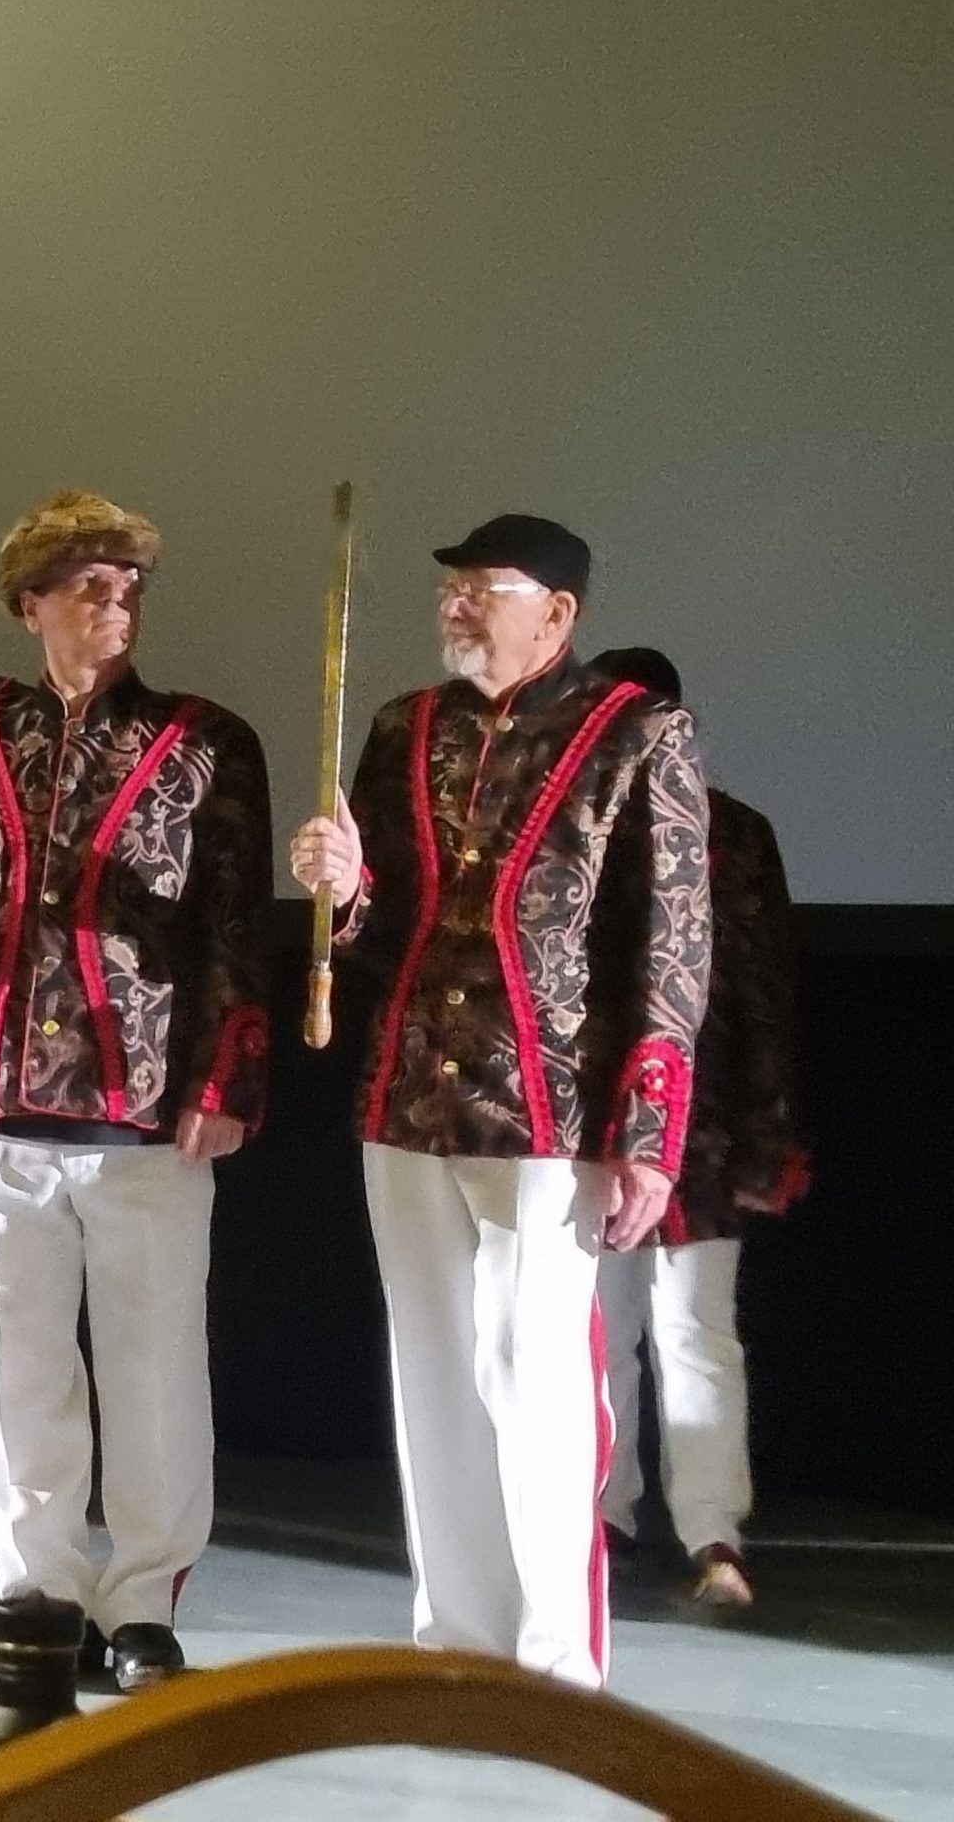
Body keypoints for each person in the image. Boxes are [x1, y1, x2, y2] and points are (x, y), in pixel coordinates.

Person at [290, 515, 711, 1687]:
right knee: (427, 1372)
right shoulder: (401, 729)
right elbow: (373, 926)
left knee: (538, 1376)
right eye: (451, 590)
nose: (456, 608)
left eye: (484, 590)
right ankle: (457, 1642)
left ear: (558, 613)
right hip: (410, 1094)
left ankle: (554, 1662)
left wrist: (649, 1138)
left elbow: (671, 945)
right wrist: (343, 887)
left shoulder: (638, 733)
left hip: (554, 1111)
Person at [0, 493, 271, 1693]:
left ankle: (143, 1604)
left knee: (154, 1365)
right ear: (29, 605)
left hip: (142, 1103)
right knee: (16, 1371)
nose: (112, 605)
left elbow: (234, 925)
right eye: (86, 585)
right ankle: (42, 1586)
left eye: (127, 587)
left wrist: (226, 1077)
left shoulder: (203, 739)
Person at [588, 646, 807, 1610]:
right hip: (590, 1120)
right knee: (597, 1324)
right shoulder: (576, 825)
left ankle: (714, 1531)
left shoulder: (736, 834)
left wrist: (766, 1134)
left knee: (693, 1328)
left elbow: (765, 989)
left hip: (701, 1123)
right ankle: (599, 1516)